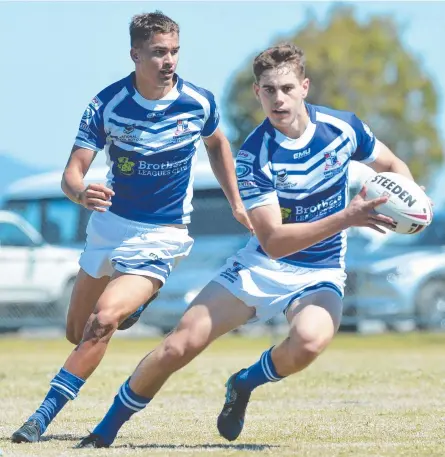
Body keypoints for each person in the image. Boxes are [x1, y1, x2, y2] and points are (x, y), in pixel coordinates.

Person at [75, 42, 420, 449]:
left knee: (309, 342)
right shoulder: (255, 156)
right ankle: (104, 431)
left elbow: (395, 167)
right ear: (257, 93)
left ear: (304, 87)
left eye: (287, 88)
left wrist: (410, 201)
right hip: (260, 267)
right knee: (179, 345)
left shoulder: (343, 129)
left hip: (320, 272)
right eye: (269, 90)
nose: (279, 98)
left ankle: (243, 382)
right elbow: (273, 242)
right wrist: (348, 216)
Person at [11, 11, 251, 444]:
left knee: (103, 321)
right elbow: (72, 173)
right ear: (135, 54)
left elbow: (218, 143)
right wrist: (81, 194)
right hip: (109, 227)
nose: (169, 61)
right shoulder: (107, 104)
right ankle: (130, 304)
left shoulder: (199, 102)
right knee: (76, 330)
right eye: (159, 52)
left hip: (163, 234)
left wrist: (235, 201)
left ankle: (40, 418)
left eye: (175, 51)